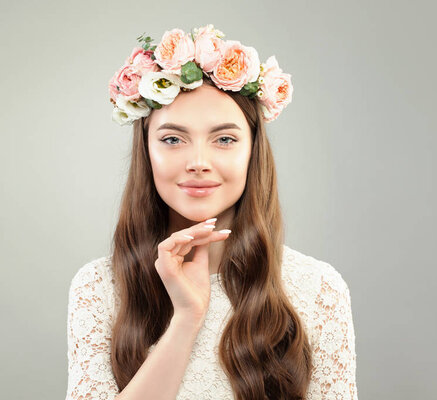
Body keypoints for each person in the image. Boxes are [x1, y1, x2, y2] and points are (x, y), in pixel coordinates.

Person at [65, 25, 357, 400]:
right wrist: (187, 319)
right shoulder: (99, 288)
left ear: (253, 151)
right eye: (173, 139)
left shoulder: (318, 289)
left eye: (224, 139)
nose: (198, 162)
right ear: (146, 151)